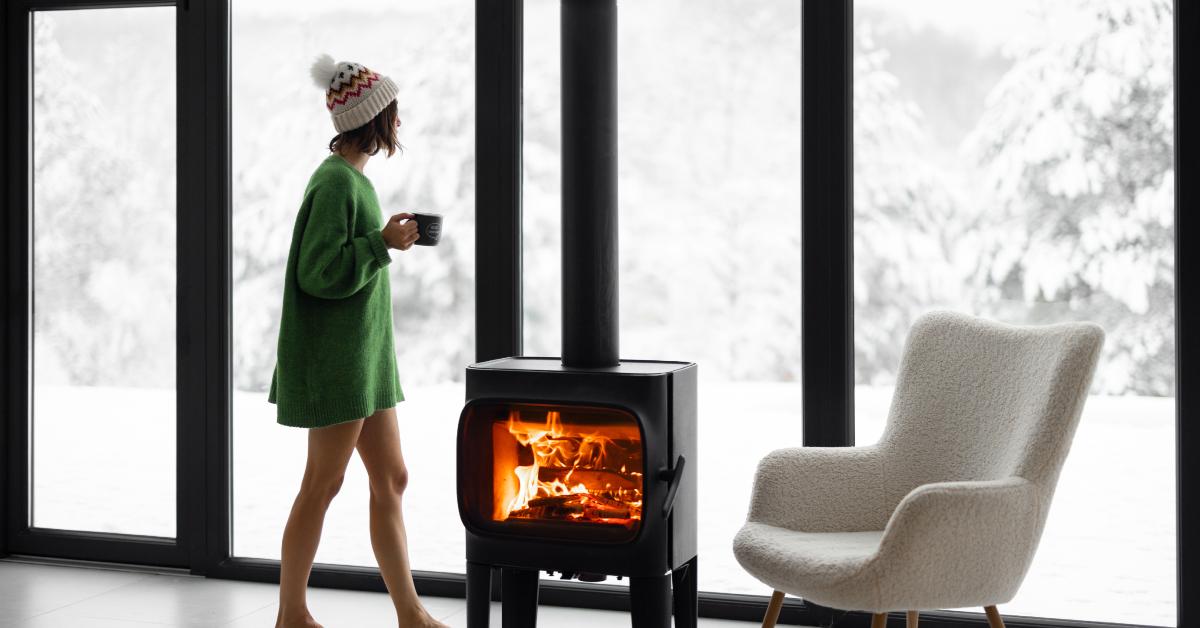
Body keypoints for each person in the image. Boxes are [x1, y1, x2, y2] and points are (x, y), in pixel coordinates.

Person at [266, 53, 448, 628]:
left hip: (365, 362)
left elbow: (351, 257)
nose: (397, 125)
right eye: (391, 116)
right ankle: (291, 613)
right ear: (371, 120)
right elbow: (317, 273)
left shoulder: (353, 182)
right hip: (338, 364)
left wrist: (380, 238)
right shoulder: (334, 183)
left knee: (391, 477)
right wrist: (381, 245)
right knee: (322, 482)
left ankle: (409, 613)